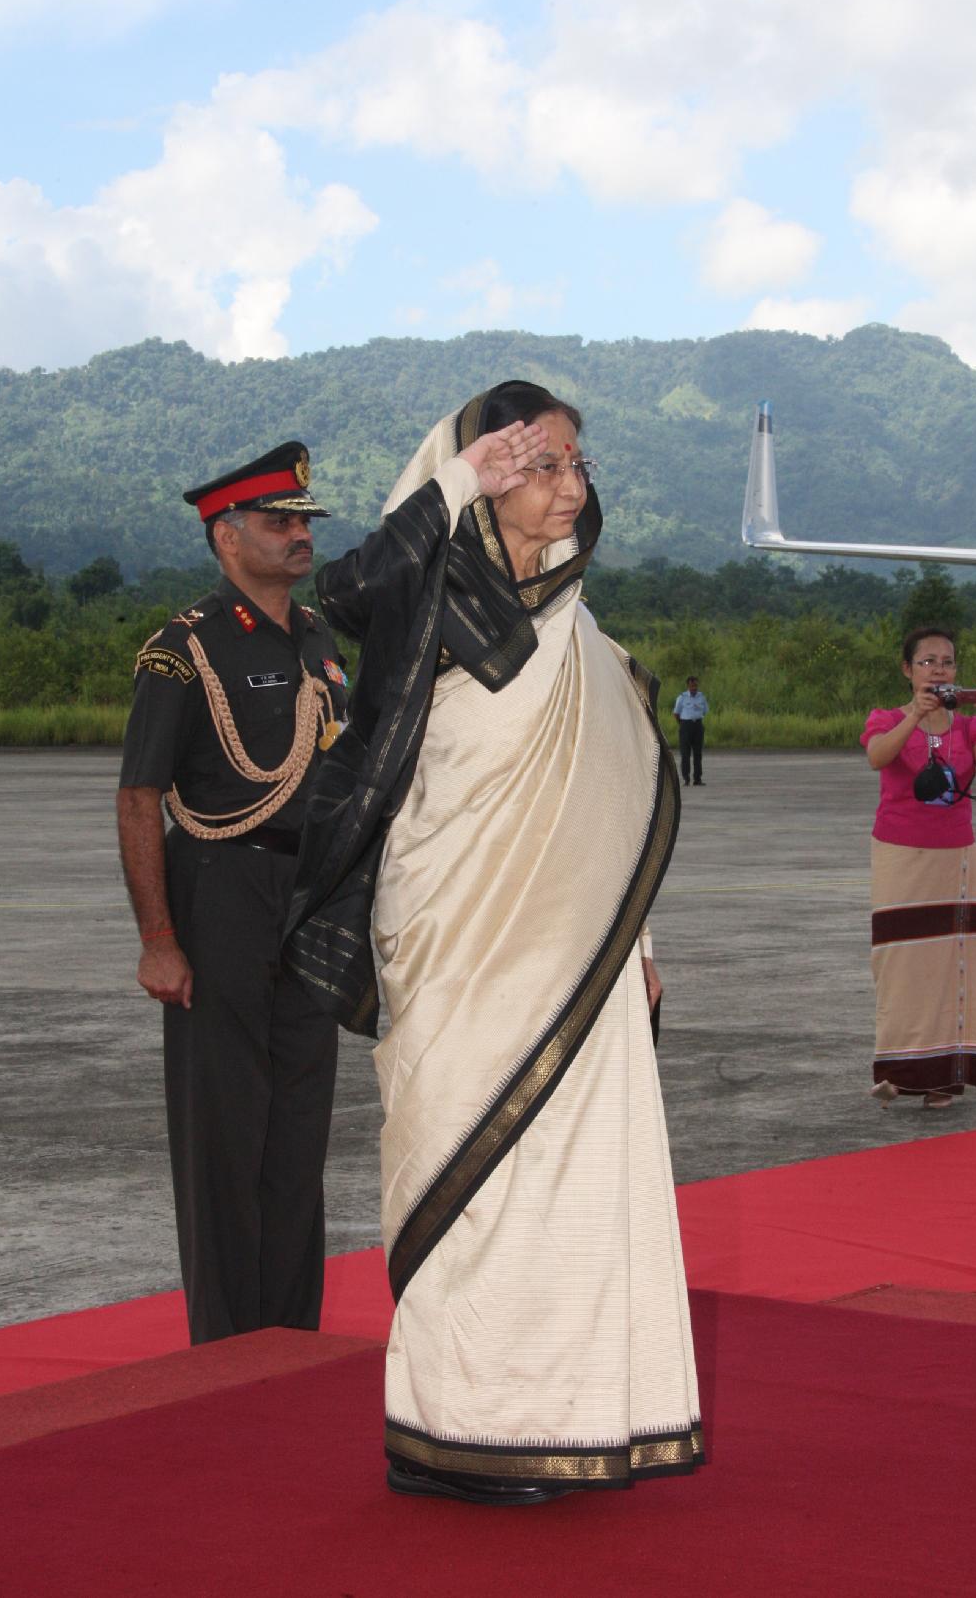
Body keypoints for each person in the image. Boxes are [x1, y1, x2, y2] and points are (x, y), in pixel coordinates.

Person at [286, 381, 702, 1505]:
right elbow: (346, 587)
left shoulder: (585, 639)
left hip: (574, 949)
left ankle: (555, 1421)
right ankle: (447, 1428)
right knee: (458, 1160)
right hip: (450, 927)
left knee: (565, 1174)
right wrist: (459, 479)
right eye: (541, 464)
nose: (569, 486)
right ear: (486, 472)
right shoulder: (424, 596)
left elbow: (606, 805)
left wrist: (637, 943)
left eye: (577, 465)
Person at [117, 442, 349, 1345]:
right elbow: (140, 794)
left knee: (299, 1125)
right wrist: (158, 936)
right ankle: (223, 1346)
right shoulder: (185, 650)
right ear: (227, 537)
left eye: (303, 522)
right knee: (223, 1128)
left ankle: (289, 1337)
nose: (299, 535)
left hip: (308, 894)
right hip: (219, 886)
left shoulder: (319, 638)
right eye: (278, 521)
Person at [860, 627, 976, 1110]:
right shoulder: (886, 718)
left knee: (953, 970)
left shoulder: (969, 727)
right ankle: (899, 1071)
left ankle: (944, 1077)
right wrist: (916, 716)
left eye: (947, 662)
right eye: (927, 662)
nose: (938, 670)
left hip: (956, 858)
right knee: (899, 966)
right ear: (907, 669)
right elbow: (877, 756)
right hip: (900, 856)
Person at [673, 674, 709, 785]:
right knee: (685, 754)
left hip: (697, 725)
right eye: (692, 686)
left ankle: (697, 779)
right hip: (685, 726)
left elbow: (705, 711)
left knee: (698, 754)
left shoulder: (701, 697)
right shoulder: (682, 697)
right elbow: (676, 713)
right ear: (688, 686)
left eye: (695, 686)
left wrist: (696, 719)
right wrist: (683, 724)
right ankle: (686, 778)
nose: (694, 688)